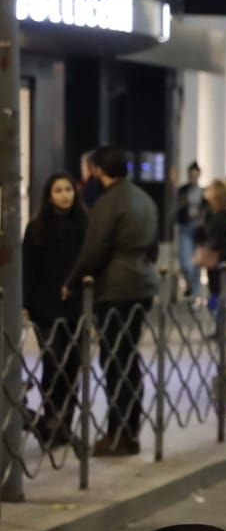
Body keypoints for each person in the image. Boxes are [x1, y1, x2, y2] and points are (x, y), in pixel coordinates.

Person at [65, 146, 160, 458]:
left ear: (98, 170)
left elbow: (95, 248)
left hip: (117, 287)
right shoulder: (143, 198)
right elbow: (153, 245)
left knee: (115, 361)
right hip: (142, 283)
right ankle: (130, 432)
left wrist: (72, 281)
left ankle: (118, 433)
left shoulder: (108, 202)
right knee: (128, 359)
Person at [21, 173, 88, 448]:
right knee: (54, 361)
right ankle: (51, 419)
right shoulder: (36, 228)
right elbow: (27, 268)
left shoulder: (86, 225)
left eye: (69, 189)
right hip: (45, 306)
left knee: (73, 365)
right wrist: (24, 303)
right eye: (59, 190)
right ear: (49, 195)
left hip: (76, 306)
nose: (65, 195)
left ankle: (66, 423)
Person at [175, 162, 205, 295]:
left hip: (198, 228)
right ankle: (190, 285)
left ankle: (195, 292)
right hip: (185, 226)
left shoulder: (203, 192)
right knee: (185, 263)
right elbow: (175, 210)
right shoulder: (182, 191)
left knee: (196, 262)